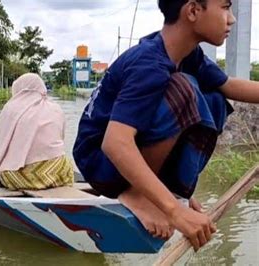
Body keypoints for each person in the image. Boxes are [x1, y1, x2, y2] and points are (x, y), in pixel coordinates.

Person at [73, 0, 259, 251]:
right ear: (193, 11)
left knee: (214, 99)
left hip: (123, 154)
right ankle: (137, 193)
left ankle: (167, 189)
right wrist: (174, 213)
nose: (232, 19)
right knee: (182, 90)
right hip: (101, 164)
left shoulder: (188, 55)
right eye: (225, 7)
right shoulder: (148, 63)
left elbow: (229, 85)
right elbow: (115, 143)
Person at [0, 73, 74, 190]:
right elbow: (61, 138)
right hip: (60, 172)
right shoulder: (56, 108)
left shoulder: (11, 108)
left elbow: (0, 144)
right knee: (64, 160)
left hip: (26, 179)